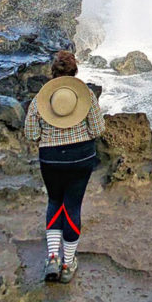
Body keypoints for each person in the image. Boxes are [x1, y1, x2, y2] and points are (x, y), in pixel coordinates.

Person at [24, 50, 105, 283]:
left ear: (53, 71)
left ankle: (52, 258)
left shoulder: (41, 98)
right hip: (81, 157)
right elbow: (98, 129)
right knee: (72, 206)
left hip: (51, 158)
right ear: (75, 71)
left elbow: (31, 134)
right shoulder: (86, 95)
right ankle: (68, 264)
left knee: (54, 202)